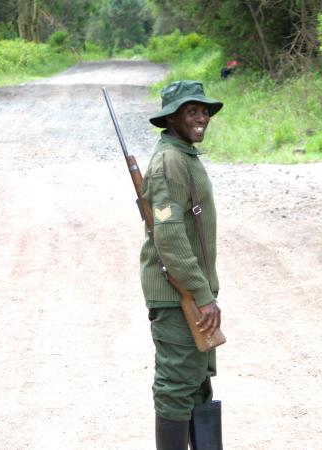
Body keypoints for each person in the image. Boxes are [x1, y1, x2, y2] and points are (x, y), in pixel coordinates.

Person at [141, 80, 223, 450]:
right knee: (177, 385)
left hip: (188, 291)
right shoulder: (169, 162)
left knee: (195, 381)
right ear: (171, 118)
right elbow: (169, 235)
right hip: (178, 294)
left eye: (204, 110)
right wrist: (202, 294)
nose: (202, 116)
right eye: (192, 111)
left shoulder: (183, 155)